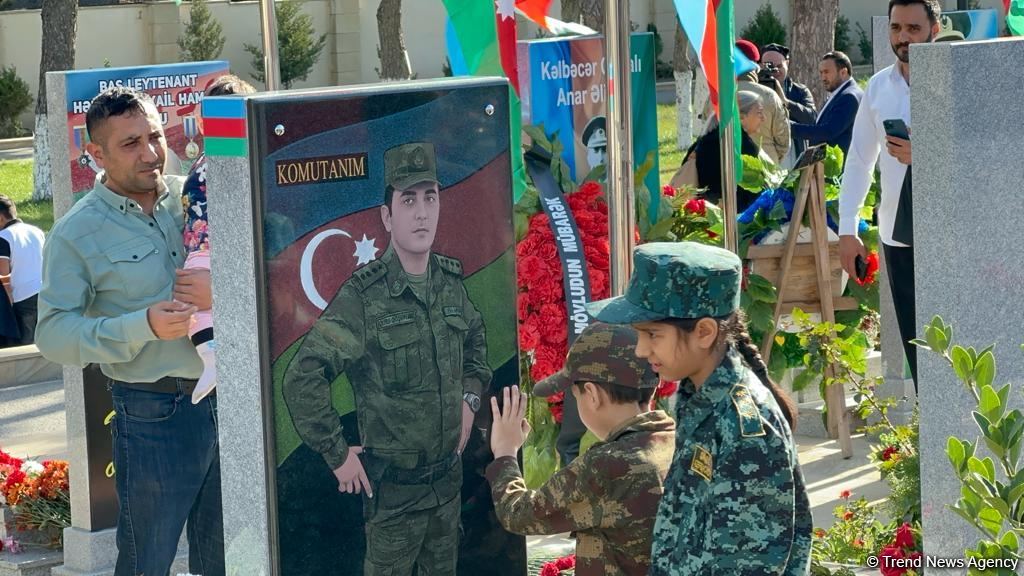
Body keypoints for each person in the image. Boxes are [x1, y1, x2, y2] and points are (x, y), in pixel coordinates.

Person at [282, 141, 491, 576]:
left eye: (430, 197)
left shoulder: (449, 283)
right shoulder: (364, 297)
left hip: (446, 489)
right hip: (394, 498)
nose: (421, 213)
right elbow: (302, 378)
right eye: (408, 199)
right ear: (387, 216)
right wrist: (337, 454)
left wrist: (469, 403)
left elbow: (475, 345)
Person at [36, 87, 222, 576]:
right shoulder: (75, 234)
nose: (152, 153)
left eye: (156, 136)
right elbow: (53, 334)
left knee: (234, 553)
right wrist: (140, 326)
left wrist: (221, 290)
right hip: (154, 413)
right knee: (148, 561)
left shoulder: (198, 195)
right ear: (95, 154)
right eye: (131, 143)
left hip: (234, 398)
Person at [587, 242, 812, 575]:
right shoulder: (700, 394)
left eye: (652, 334)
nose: (640, 350)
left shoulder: (745, 426)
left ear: (704, 332)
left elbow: (749, 564)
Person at [486, 322, 675, 575]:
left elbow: (519, 514)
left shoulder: (607, 465)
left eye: (575, 396)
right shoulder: (676, 442)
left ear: (592, 394)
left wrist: (505, 453)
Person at [839, 0, 940, 391]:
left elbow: (989, 154)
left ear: (935, 27)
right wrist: (849, 229)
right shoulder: (879, 87)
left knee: (961, 344)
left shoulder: (961, 79)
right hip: (899, 237)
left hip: (954, 235)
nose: (903, 37)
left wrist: (925, 154)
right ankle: (926, 440)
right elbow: (860, 161)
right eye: (896, 28)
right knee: (918, 348)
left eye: (913, 28)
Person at [177, 74, 256, 404]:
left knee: (193, 301)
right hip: (208, 242)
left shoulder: (227, 158)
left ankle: (212, 357)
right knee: (193, 300)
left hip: (209, 244)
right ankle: (212, 355)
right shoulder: (224, 155)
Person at [684, 91, 775, 212]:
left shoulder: (703, 141)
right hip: (730, 218)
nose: (763, 118)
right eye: (759, 113)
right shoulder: (743, 146)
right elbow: (752, 192)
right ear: (741, 117)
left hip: (701, 214)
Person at [790, 51, 864, 163]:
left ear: (843, 72)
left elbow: (828, 131)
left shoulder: (849, 96)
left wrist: (790, 128)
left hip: (838, 170)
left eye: (827, 72)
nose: (823, 77)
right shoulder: (842, 93)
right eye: (821, 73)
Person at [735, 39, 791, 164]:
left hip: (726, 170)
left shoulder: (719, 95)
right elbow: (784, 141)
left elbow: (706, 132)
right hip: (763, 169)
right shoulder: (770, 95)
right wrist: (772, 160)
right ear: (756, 67)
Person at [760, 43, 817, 163]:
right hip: (765, 155)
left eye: (779, 66)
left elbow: (812, 119)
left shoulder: (800, 91)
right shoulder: (755, 90)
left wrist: (786, 102)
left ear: (787, 63)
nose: (775, 70)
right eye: (769, 66)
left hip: (794, 155)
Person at [0, 196, 44, 345]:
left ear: (0, 218)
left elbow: (3, 274)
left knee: (27, 344)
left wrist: (9, 302)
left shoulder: (3, 237)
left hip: (23, 297)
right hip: (45, 292)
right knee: (44, 339)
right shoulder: (36, 231)